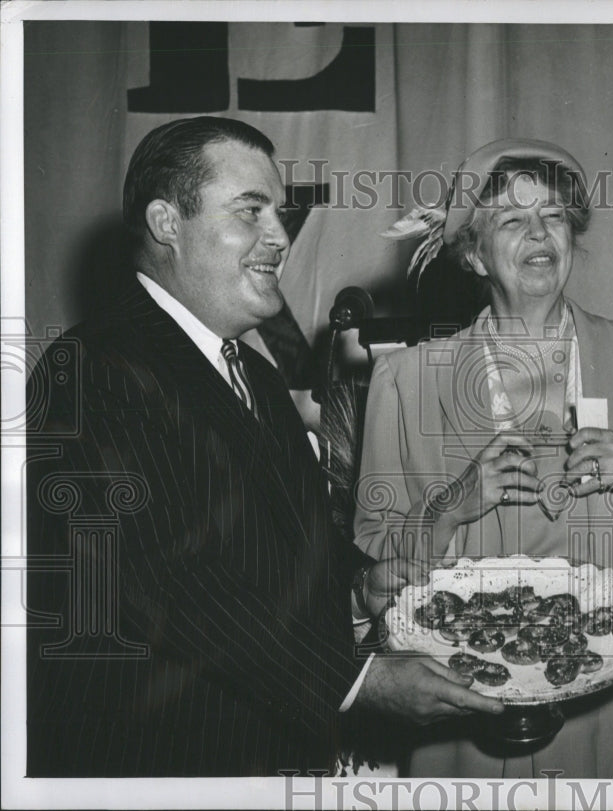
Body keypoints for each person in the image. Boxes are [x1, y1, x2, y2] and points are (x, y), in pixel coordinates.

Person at [25, 116, 501, 777]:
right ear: (167, 222)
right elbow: (169, 578)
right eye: (252, 211)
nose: (280, 237)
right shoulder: (93, 365)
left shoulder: (252, 374)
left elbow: (275, 532)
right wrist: (359, 680)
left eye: (278, 214)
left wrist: (359, 579)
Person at [354, 138, 613, 778]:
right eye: (511, 220)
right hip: (464, 708)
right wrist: (450, 505)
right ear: (474, 255)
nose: (540, 233)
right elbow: (377, 581)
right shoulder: (404, 380)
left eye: (555, 216)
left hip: (608, 711)